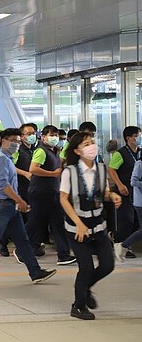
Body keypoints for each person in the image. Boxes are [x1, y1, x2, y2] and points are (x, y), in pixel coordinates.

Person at [0, 129, 57, 285]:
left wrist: (16, 201)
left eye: (18, 141)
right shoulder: (1, 159)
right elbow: (3, 184)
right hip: (3, 205)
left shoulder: (8, 158)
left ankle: (35, 272)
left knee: (22, 241)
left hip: (9, 205)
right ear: (3, 141)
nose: (16, 144)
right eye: (13, 140)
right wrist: (19, 200)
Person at [59, 132, 120, 320]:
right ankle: (78, 306)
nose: (91, 146)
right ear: (77, 151)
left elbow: (104, 193)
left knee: (108, 265)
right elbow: (63, 199)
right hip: (77, 229)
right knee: (85, 268)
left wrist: (112, 196)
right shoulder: (69, 172)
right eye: (86, 144)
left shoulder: (101, 169)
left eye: (92, 142)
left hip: (98, 227)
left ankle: (85, 289)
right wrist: (78, 223)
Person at [24, 125, 76, 266]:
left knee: (58, 223)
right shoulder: (41, 151)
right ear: (43, 136)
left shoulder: (54, 151)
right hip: (40, 193)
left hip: (53, 192)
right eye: (51, 135)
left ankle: (64, 255)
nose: (55, 138)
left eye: (56, 135)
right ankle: (23, 248)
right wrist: (52, 174)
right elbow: (33, 169)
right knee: (34, 222)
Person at [0, 123, 37, 257]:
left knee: (26, 219)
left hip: (31, 189)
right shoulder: (16, 152)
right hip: (17, 189)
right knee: (9, 220)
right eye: (28, 133)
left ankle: (27, 249)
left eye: (33, 133)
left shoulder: (35, 150)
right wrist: (25, 173)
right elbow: (11, 167)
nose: (31, 136)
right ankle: (2, 243)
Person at [108, 126, 141, 259]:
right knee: (126, 219)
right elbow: (111, 170)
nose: (139, 138)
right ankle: (121, 244)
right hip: (124, 191)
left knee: (135, 221)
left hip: (137, 192)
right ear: (129, 138)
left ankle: (125, 245)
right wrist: (120, 185)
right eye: (137, 135)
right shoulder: (120, 153)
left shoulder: (139, 152)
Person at [115, 157, 142, 261]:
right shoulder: (139, 164)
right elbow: (133, 181)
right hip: (140, 203)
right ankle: (123, 245)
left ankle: (123, 245)